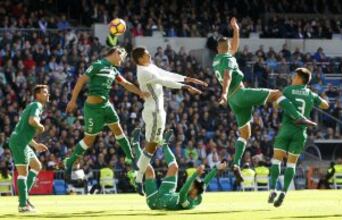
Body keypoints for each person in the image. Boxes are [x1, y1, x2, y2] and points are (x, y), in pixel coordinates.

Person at [212, 17, 316, 183]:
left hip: (234, 102)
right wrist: (223, 93)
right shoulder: (229, 59)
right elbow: (228, 75)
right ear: (228, 47)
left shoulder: (217, 59)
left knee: (245, 133)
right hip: (240, 94)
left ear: (219, 48)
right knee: (276, 93)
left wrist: (236, 30)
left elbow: (232, 51)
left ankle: (236, 163)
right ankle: (298, 117)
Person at [131, 47, 208, 195]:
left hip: (158, 112)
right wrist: (185, 86)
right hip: (154, 112)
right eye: (147, 53)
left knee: (152, 146)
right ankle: (138, 176)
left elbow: (166, 74)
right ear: (140, 58)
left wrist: (186, 78)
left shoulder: (149, 66)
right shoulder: (144, 72)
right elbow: (164, 81)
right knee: (151, 145)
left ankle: (139, 176)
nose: (150, 54)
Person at [63, 47, 149, 177]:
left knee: (118, 130)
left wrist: (140, 93)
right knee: (89, 140)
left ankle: (130, 158)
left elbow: (126, 84)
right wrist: (73, 100)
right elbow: (81, 80)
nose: (123, 60)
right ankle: (70, 161)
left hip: (106, 105)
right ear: (115, 53)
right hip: (92, 109)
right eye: (122, 56)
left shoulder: (114, 70)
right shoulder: (98, 65)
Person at [268, 67, 329, 207]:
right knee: (291, 164)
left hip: (286, 129)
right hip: (300, 133)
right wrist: (315, 99)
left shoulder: (288, 90)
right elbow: (325, 105)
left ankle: (272, 190)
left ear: (300, 78)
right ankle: (283, 193)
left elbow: (277, 105)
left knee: (276, 160)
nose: (292, 77)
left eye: (294, 76)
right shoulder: (310, 94)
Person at [130, 129, 227, 210]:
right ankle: (164, 144)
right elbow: (205, 182)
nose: (191, 186)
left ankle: (135, 145)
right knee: (174, 167)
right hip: (168, 193)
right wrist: (216, 168)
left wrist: (195, 174)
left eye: (192, 186)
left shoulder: (187, 203)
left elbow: (182, 192)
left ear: (194, 193)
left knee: (149, 169)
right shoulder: (197, 194)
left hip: (156, 201)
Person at [8, 85, 49, 212]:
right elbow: (32, 121)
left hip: (23, 141)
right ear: (37, 95)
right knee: (23, 173)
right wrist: (41, 126)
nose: (48, 94)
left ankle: (25, 198)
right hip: (19, 142)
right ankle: (22, 205)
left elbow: (23, 129)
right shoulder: (37, 105)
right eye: (45, 92)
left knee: (36, 166)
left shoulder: (32, 106)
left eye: (48, 92)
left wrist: (36, 145)